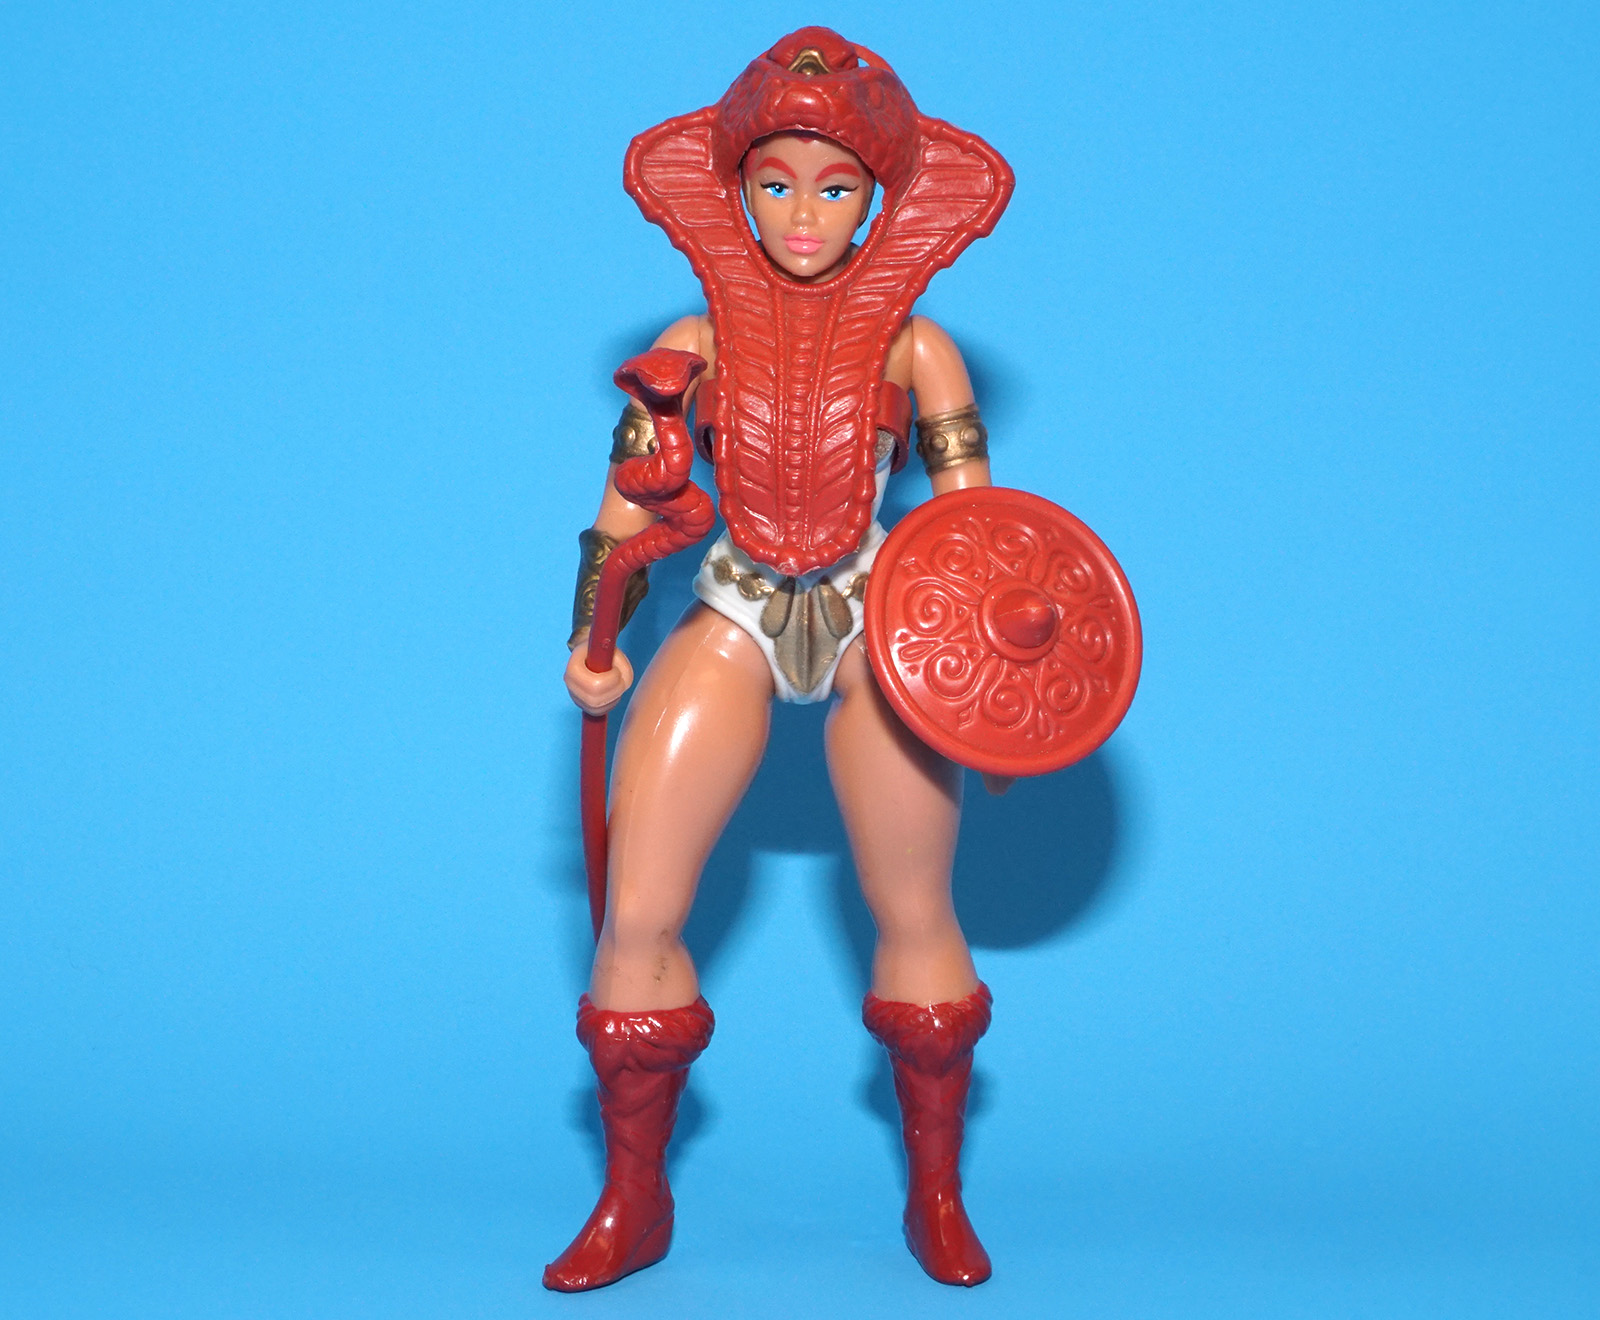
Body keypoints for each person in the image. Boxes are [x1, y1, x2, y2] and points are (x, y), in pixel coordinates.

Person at [546, 28, 1014, 1292]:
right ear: (737, 189)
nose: (804, 213)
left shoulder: (918, 349)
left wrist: (994, 688)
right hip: (739, 602)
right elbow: (619, 512)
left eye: (835, 186)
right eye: (776, 182)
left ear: (878, 201)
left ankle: (936, 1193)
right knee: (639, 908)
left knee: (916, 908)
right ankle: (632, 1199)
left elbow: (976, 532)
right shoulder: (689, 344)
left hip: (875, 611)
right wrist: (590, 638)